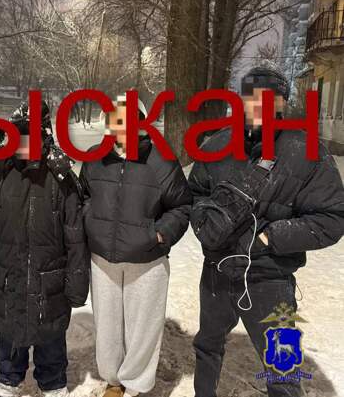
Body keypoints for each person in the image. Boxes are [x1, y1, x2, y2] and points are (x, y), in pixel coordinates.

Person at [188, 66, 344, 397]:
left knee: (283, 367)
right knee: (207, 347)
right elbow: (195, 195)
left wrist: (271, 237)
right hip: (217, 271)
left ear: (282, 103)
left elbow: (332, 217)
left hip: (270, 278)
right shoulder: (217, 144)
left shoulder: (307, 151)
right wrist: (204, 223)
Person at [0, 101, 89, 397]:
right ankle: (7, 381)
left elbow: (75, 238)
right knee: (10, 339)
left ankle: (54, 383)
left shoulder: (61, 179)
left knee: (51, 341)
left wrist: (77, 287)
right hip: (9, 282)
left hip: (50, 287)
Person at [79, 95, 192, 397]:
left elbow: (182, 206)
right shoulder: (95, 157)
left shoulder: (161, 161)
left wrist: (158, 235)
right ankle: (113, 381)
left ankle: (136, 384)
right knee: (108, 325)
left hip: (147, 261)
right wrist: (91, 221)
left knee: (143, 328)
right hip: (103, 259)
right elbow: (84, 194)